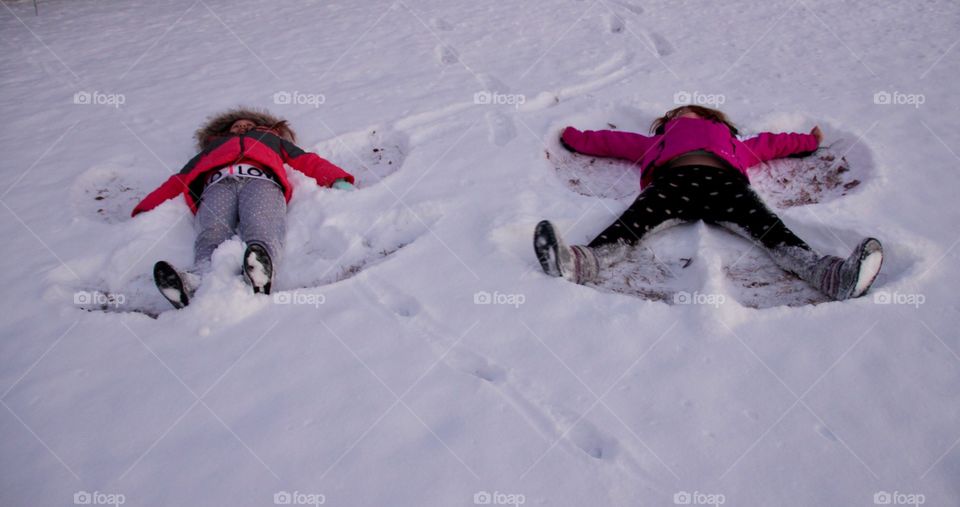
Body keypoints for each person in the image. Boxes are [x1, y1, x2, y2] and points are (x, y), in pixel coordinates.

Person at [534, 105, 882, 301]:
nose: (679, 117)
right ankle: (582, 262)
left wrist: (807, 141)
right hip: (674, 182)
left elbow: (773, 145)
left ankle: (829, 274)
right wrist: (575, 138)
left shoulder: (735, 144)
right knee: (634, 221)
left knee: (769, 227)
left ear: (715, 121)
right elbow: (613, 142)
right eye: (673, 117)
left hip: (725, 184)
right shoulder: (654, 144)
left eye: (688, 113)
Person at [131, 107, 355, 308]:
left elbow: (307, 160)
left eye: (249, 125)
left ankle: (260, 271)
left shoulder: (271, 140)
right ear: (227, 132)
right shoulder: (213, 148)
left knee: (262, 223)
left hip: (261, 182)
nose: (242, 127)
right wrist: (147, 206)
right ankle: (196, 279)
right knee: (212, 232)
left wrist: (336, 178)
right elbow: (179, 179)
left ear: (262, 127)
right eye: (236, 126)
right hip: (217, 187)